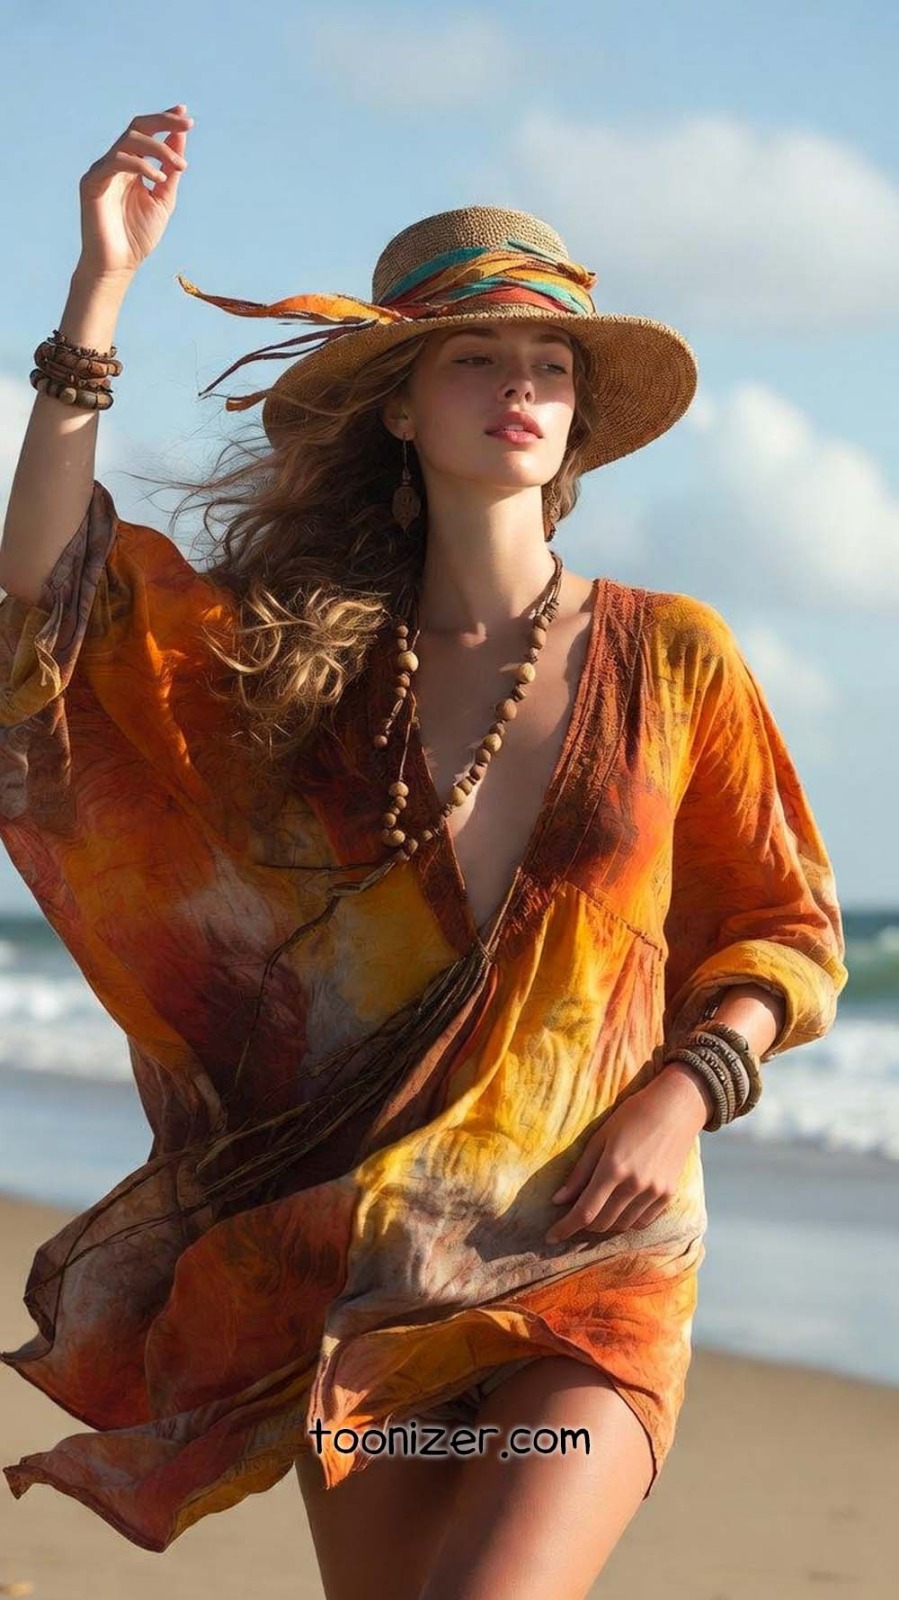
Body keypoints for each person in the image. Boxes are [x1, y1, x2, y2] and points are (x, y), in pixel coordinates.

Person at [0, 105, 848, 1599]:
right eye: (479, 356)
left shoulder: (676, 661)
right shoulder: (296, 679)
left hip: (596, 1264)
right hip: (367, 1278)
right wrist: (97, 297)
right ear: (399, 403)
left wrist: (682, 1090)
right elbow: (47, 624)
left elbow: (786, 927)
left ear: (579, 414)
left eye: (551, 365)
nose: (523, 386)